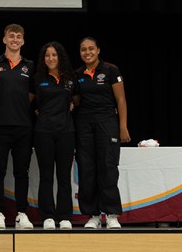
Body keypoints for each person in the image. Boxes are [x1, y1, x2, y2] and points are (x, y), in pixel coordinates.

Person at [0, 23, 35, 230]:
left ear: (23, 41)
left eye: (18, 36)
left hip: (23, 126)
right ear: (4, 39)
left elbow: (31, 94)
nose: (14, 39)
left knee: (22, 172)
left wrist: (18, 104)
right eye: (11, 36)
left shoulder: (30, 66)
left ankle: (22, 213)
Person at [75, 36, 130, 229]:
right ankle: (93, 215)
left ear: (98, 50)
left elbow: (121, 100)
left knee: (108, 167)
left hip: (107, 122)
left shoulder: (110, 70)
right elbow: (75, 101)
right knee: (87, 168)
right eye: (83, 49)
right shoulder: (78, 73)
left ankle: (112, 214)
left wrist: (122, 127)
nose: (87, 52)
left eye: (91, 48)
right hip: (84, 125)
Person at [31, 41, 79, 230]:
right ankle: (48, 216)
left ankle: (65, 216)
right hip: (43, 132)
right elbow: (29, 102)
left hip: (66, 132)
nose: (51, 58)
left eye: (54, 55)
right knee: (46, 176)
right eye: (47, 55)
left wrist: (71, 107)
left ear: (60, 57)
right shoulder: (37, 78)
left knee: (64, 176)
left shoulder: (70, 78)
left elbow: (76, 100)